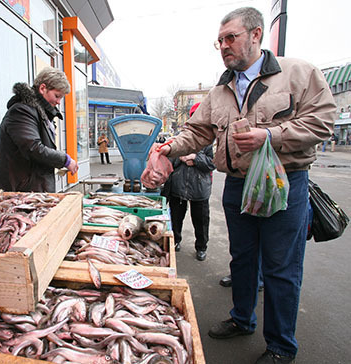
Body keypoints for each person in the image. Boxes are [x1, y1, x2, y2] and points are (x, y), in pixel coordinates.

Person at [154, 7, 335, 364]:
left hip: (283, 184)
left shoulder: (298, 73)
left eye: (230, 38)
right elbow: (198, 131)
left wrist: (272, 134)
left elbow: (323, 121)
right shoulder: (220, 90)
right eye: (219, 41)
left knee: (281, 268)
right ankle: (241, 318)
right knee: (242, 259)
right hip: (237, 185)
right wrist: (169, 147)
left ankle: (281, 346)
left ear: (256, 35)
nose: (223, 46)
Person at [0, 67, 78, 192]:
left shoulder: (40, 113)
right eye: (57, 96)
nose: (58, 102)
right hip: (18, 194)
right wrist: (65, 160)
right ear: (43, 88)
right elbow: (34, 148)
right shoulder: (21, 111)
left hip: (30, 190)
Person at [161, 102, 215, 261]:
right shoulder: (178, 137)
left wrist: (195, 158)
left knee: (201, 220)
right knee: (176, 217)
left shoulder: (210, 140)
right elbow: (169, 162)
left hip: (200, 187)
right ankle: (175, 241)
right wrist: (180, 156)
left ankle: (201, 247)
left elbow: (213, 163)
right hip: (178, 185)